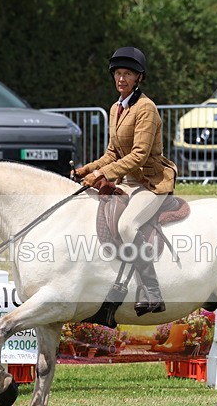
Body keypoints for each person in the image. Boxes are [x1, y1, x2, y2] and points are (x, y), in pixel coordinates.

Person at [75, 47, 178, 316]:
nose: (121, 79)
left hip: (151, 182)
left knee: (128, 226)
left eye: (127, 74)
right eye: (118, 73)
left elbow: (139, 155)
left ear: (138, 78)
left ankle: (153, 292)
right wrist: (85, 170)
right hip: (128, 181)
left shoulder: (146, 108)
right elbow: (112, 153)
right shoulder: (115, 108)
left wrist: (103, 175)